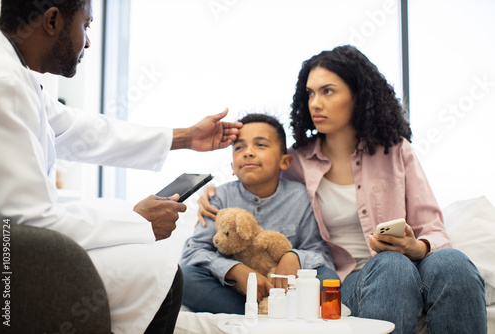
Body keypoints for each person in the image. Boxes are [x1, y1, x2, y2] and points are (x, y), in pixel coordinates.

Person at [197, 46, 487, 333]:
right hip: (349, 281)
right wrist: (209, 193)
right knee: (391, 266)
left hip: (413, 264)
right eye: (310, 93)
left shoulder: (396, 150)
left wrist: (418, 246)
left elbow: (433, 228)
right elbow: (254, 176)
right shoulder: (296, 160)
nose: (315, 103)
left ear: (358, 96)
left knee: (453, 262)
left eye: (328, 91)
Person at [0, 1, 242, 333]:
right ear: (53, 20)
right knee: (156, 272)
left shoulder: (13, 73)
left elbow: (83, 131)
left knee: (147, 266)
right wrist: (137, 221)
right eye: (86, 25)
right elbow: (26, 222)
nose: (88, 41)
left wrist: (185, 137)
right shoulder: (4, 82)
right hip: (10, 263)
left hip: (17, 249)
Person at [180, 113, 335, 314]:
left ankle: (271, 310)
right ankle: (264, 315)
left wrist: (294, 256)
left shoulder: (300, 197)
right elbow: (193, 252)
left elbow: (318, 253)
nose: (248, 152)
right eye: (239, 148)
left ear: (285, 161)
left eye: (260, 145)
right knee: (184, 277)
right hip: (233, 292)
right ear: (232, 167)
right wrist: (234, 270)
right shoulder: (220, 197)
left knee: (328, 278)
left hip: (283, 290)